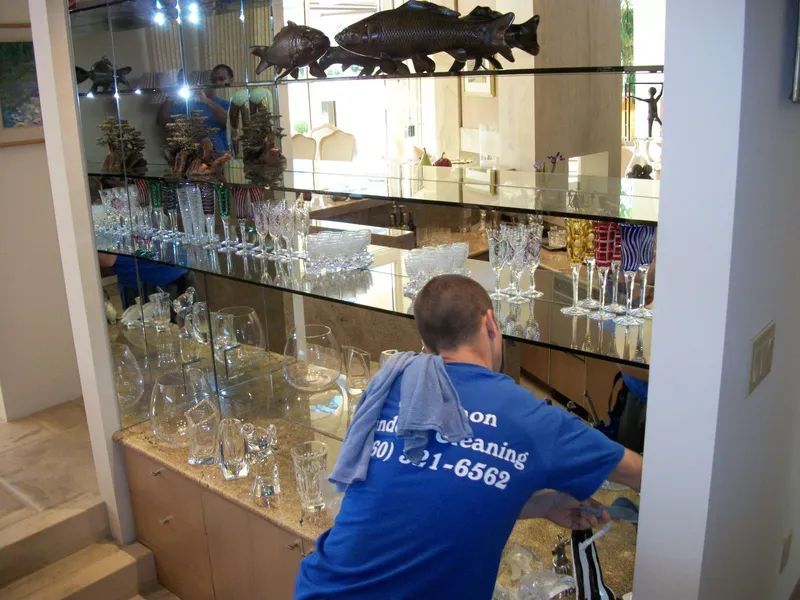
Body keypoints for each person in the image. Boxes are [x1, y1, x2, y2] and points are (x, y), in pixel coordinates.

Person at [295, 275, 643, 600]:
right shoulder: (530, 417)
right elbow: (640, 473)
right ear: (490, 323)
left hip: (322, 586)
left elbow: (434, 495)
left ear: (426, 344)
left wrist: (544, 504)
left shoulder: (392, 388)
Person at [157, 64, 234, 153]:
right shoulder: (188, 103)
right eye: (213, 80)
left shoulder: (225, 104)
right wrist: (170, 97)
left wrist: (206, 100)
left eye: (221, 79)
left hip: (217, 153)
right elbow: (164, 122)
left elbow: (229, 122)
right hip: (190, 152)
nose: (216, 83)